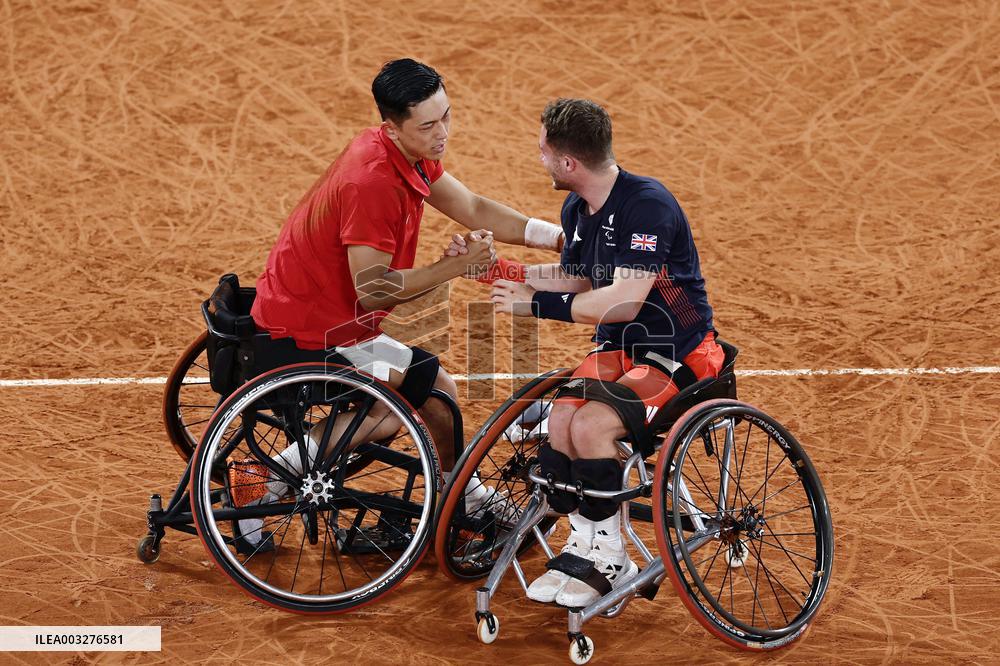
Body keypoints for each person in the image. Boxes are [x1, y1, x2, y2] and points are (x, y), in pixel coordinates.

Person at [233, 59, 566, 546]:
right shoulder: (371, 183)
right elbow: (374, 288)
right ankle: (266, 480)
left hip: (326, 312)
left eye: (447, 116)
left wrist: (558, 237)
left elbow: (471, 207)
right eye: (429, 125)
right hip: (314, 326)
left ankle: (464, 496)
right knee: (409, 401)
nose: (443, 133)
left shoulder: (405, 151)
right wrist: (453, 266)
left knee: (436, 392)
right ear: (392, 126)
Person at [487, 98, 725, 607]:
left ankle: (613, 559)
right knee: (560, 422)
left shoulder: (648, 205)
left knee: (593, 427)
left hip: (678, 352)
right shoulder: (577, 207)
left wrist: (537, 307)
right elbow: (578, 277)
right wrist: (500, 272)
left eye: (544, 152)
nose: (540, 160)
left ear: (568, 163)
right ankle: (583, 545)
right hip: (620, 350)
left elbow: (621, 301)